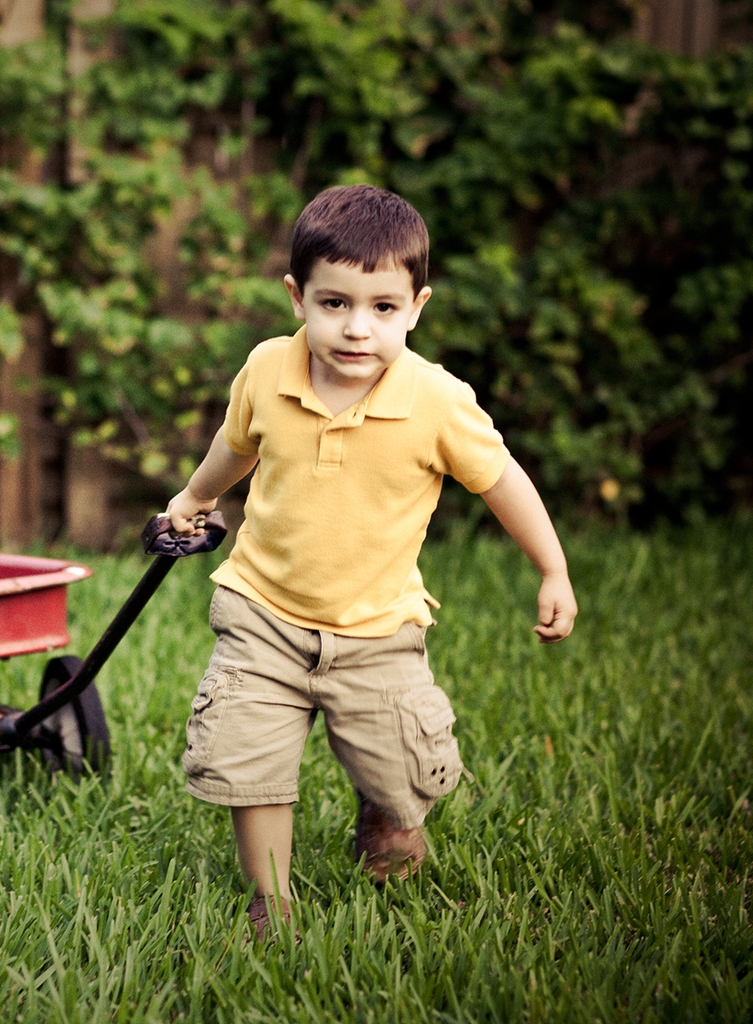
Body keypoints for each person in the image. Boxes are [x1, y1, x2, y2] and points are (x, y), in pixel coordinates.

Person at [164, 184, 577, 940]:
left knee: (406, 770)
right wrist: (194, 496)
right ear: (298, 297)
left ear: (416, 307)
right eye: (335, 304)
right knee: (247, 760)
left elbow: (502, 480)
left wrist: (553, 569)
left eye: (383, 308)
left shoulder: (437, 401)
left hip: (377, 628)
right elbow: (237, 445)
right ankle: (272, 901)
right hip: (262, 613)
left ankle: (385, 807)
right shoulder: (265, 370)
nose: (358, 329)